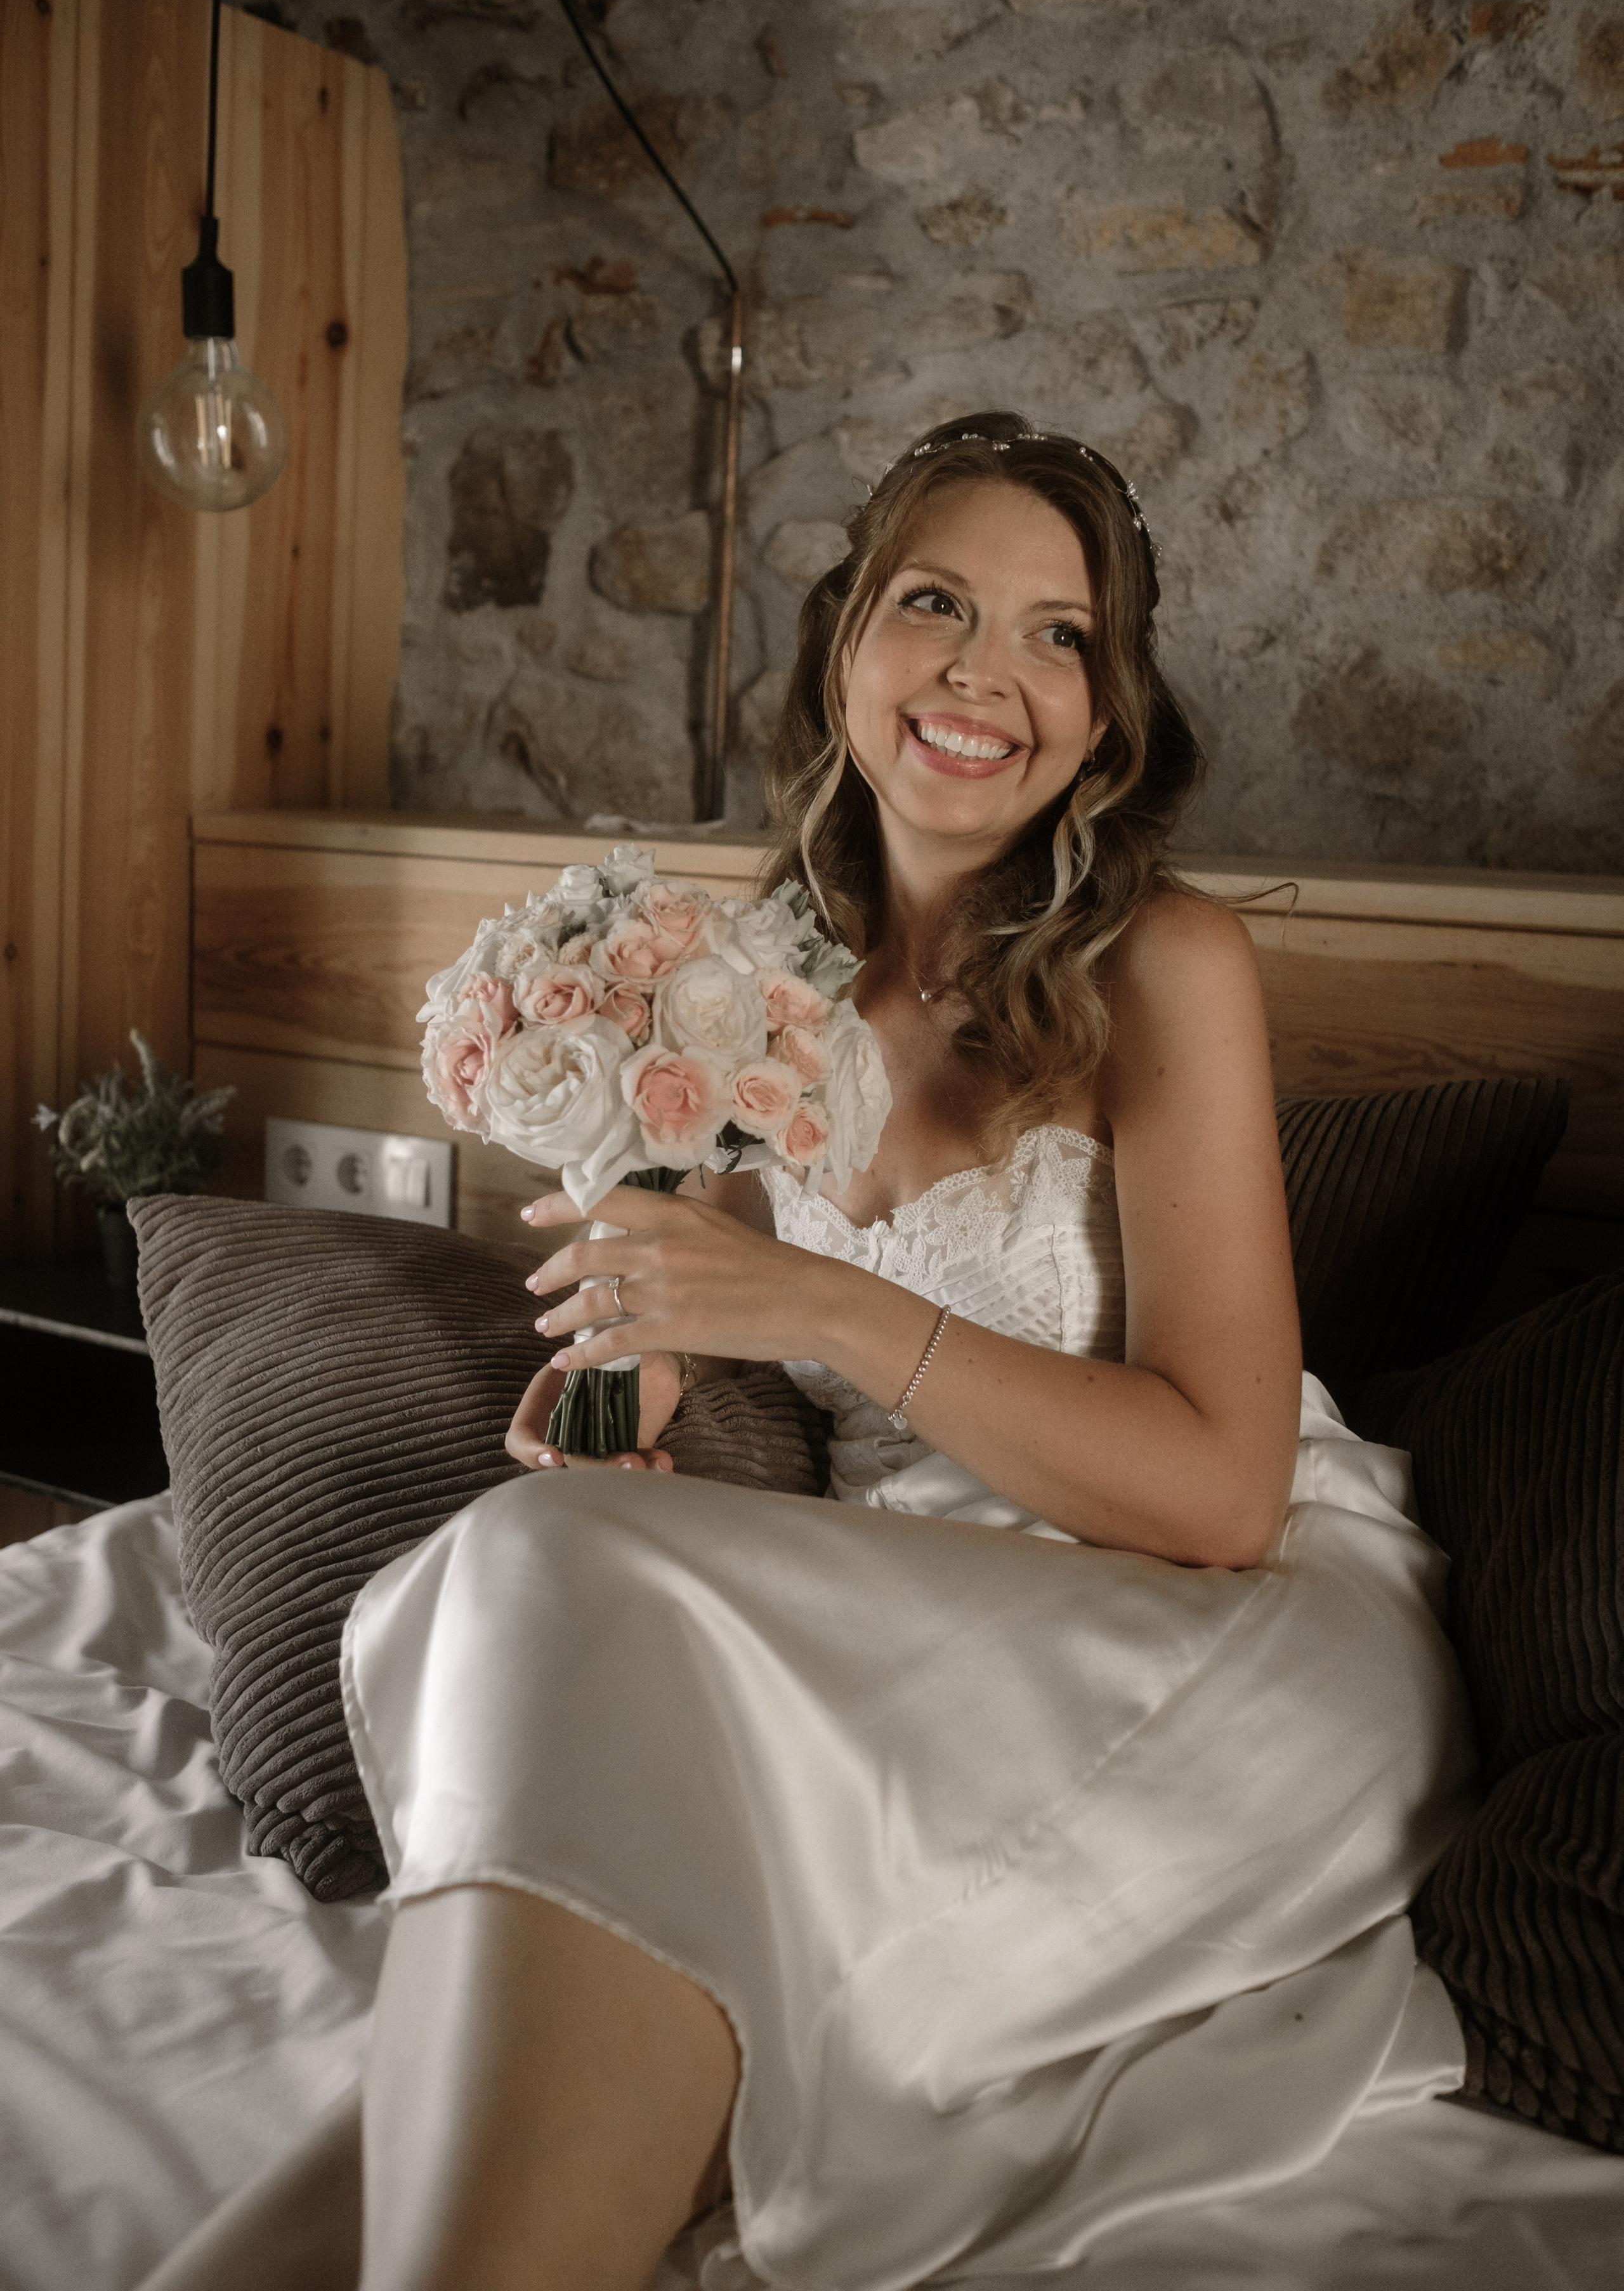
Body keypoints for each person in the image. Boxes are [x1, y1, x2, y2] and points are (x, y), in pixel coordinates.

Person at [141, 414, 1472, 2291]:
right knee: (547, 1576)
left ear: (1108, 711)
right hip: (894, 1602)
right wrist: (650, 1362)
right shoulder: (750, 981)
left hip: (1220, 1629)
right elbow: (730, 1253)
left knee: (557, 1590)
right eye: (934, 604)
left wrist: (823, 1314)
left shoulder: (1166, 964)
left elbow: (1221, 1492)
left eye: (1057, 635)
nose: (983, 675)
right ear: (846, 640)